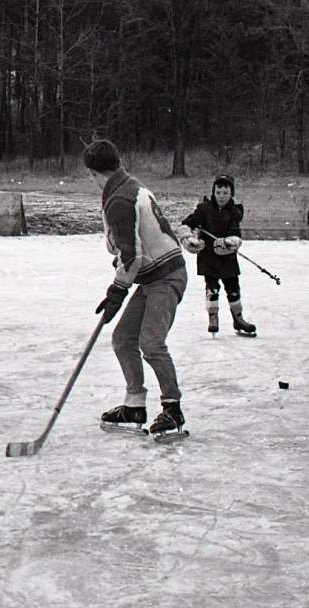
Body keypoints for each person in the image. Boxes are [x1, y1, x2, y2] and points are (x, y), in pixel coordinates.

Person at [85, 139, 189, 438]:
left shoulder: (121, 199)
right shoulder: (129, 186)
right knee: (123, 338)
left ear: (94, 173)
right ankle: (135, 405)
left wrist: (116, 292)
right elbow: (133, 254)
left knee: (151, 343)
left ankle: (172, 408)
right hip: (152, 276)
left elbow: (133, 257)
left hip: (166, 276)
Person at [180, 174, 256, 337]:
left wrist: (229, 242)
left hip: (227, 257)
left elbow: (235, 234)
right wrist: (190, 239)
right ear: (214, 192)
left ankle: (238, 318)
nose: (221, 196)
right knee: (212, 288)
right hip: (208, 258)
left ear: (231, 194)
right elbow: (186, 224)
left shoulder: (234, 212)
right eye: (218, 192)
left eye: (225, 193)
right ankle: (213, 318)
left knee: (233, 288)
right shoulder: (203, 209)